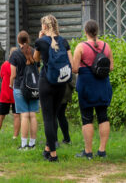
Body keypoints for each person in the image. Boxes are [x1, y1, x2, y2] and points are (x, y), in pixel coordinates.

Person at [72, 19, 114, 159]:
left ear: (85, 32)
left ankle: (88, 152)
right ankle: (102, 151)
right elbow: (111, 67)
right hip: (102, 84)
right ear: (97, 31)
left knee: (87, 118)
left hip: (86, 85)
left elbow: (75, 69)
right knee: (103, 116)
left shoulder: (81, 47)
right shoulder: (106, 46)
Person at [33, 14, 72, 162]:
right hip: (61, 83)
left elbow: (36, 59)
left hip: (46, 82)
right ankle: (48, 148)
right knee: (54, 115)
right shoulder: (64, 41)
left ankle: (53, 154)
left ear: (44, 26)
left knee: (48, 118)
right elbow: (71, 64)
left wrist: (39, 37)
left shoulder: (41, 42)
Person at [8, 31, 39, 150]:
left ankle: (24, 145)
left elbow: (13, 74)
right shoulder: (34, 52)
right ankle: (33, 143)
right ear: (28, 40)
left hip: (20, 87)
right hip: (33, 87)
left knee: (24, 115)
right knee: (33, 115)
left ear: (18, 40)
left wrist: (11, 85)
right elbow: (38, 70)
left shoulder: (15, 54)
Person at [0, 51, 20, 141]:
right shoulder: (19, 65)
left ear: (10, 55)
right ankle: (15, 137)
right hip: (16, 92)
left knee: (0, 115)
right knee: (16, 115)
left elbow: (2, 75)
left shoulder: (5, 64)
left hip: (5, 92)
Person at [57, 76, 74, 147]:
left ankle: (53, 141)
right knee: (61, 115)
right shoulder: (68, 64)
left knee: (54, 116)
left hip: (58, 89)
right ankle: (67, 139)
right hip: (66, 90)